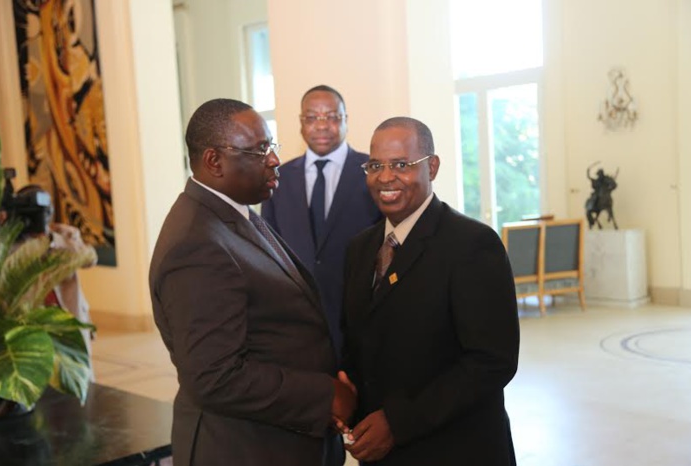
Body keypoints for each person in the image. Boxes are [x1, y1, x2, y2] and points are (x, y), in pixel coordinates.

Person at [149, 99, 355, 466]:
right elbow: (215, 377)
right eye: (261, 149)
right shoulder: (198, 244)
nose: (274, 159)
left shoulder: (232, 212)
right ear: (215, 161)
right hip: (242, 447)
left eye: (271, 146)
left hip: (275, 437)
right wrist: (325, 395)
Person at [340, 117, 520, 465]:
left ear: (432, 167)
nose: (386, 177)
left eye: (402, 165)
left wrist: (397, 422)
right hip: (382, 453)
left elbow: (491, 362)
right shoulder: (359, 249)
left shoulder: (472, 245)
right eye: (375, 165)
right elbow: (356, 338)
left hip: (456, 449)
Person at [261, 85, 381, 357]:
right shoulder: (278, 178)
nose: (322, 125)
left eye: (332, 116)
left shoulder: (373, 172)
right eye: (312, 117)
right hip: (298, 319)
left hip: (359, 315)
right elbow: (268, 243)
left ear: (346, 120)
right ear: (301, 124)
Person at [16, 185, 98, 365]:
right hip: (33, 325)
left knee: (78, 377)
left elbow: (89, 260)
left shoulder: (65, 237)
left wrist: (53, 240)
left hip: (69, 318)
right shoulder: (12, 244)